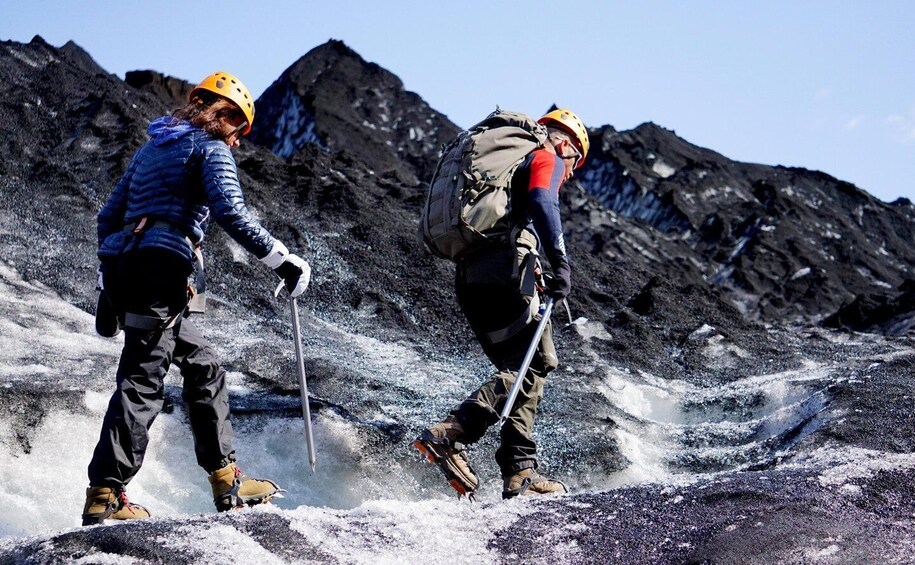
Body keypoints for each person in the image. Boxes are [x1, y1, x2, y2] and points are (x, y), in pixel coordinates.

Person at [82, 71, 311, 525]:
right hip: (163, 272)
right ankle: (106, 494)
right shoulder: (210, 148)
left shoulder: (153, 148)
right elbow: (230, 212)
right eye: (239, 130)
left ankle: (227, 480)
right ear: (224, 115)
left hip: (131, 270)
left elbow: (108, 218)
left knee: (204, 366)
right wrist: (283, 260)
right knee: (143, 379)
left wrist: (109, 283)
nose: (239, 143)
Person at [414, 109, 589, 499]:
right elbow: (543, 200)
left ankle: (518, 471)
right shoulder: (545, 153)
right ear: (567, 142)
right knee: (537, 362)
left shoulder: (497, 154)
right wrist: (560, 261)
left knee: (521, 365)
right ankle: (455, 432)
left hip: (469, 276)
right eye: (576, 160)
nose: (571, 172)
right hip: (504, 269)